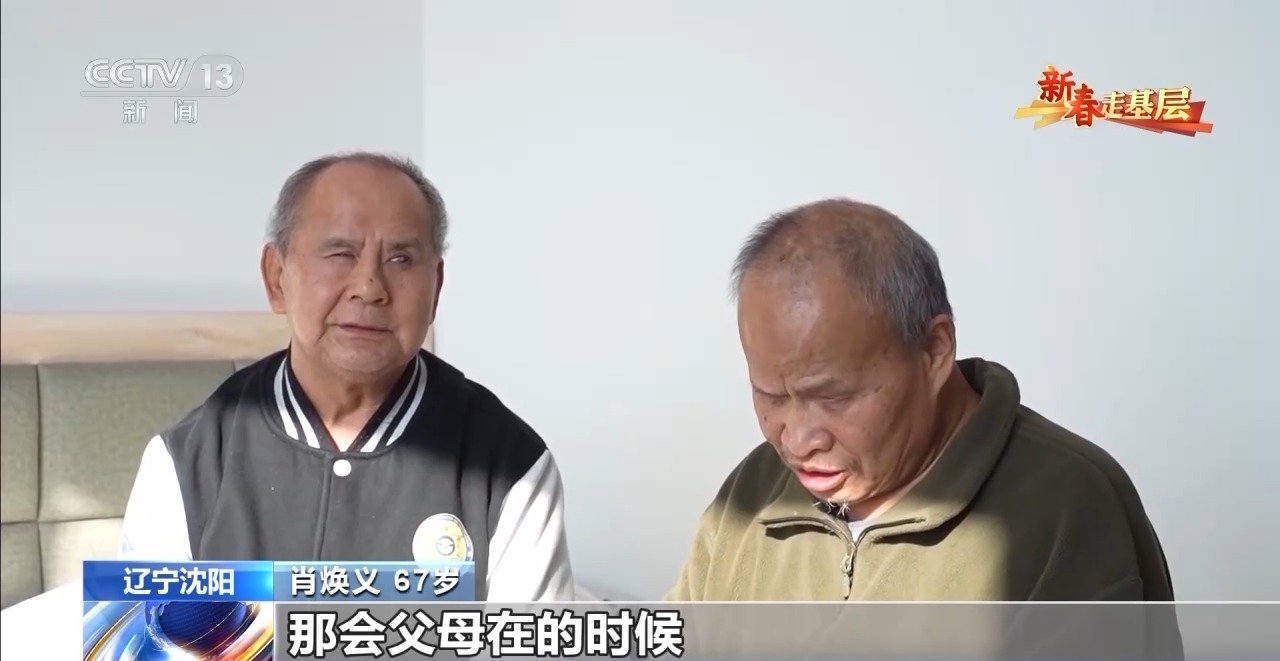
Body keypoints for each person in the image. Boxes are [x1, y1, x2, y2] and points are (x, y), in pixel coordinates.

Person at [0, 153, 575, 657]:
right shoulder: (187, 462)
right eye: (340, 253)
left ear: (437, 288)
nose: (370, 286)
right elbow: (148, 649)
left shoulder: (510, 466)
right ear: (277, 278)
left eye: (402, 259)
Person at [667, 198, 1175, 602]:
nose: (798, 441)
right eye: (771, 396)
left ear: (934, 350)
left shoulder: (1066, 508)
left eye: (833, 397)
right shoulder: (752, 493)